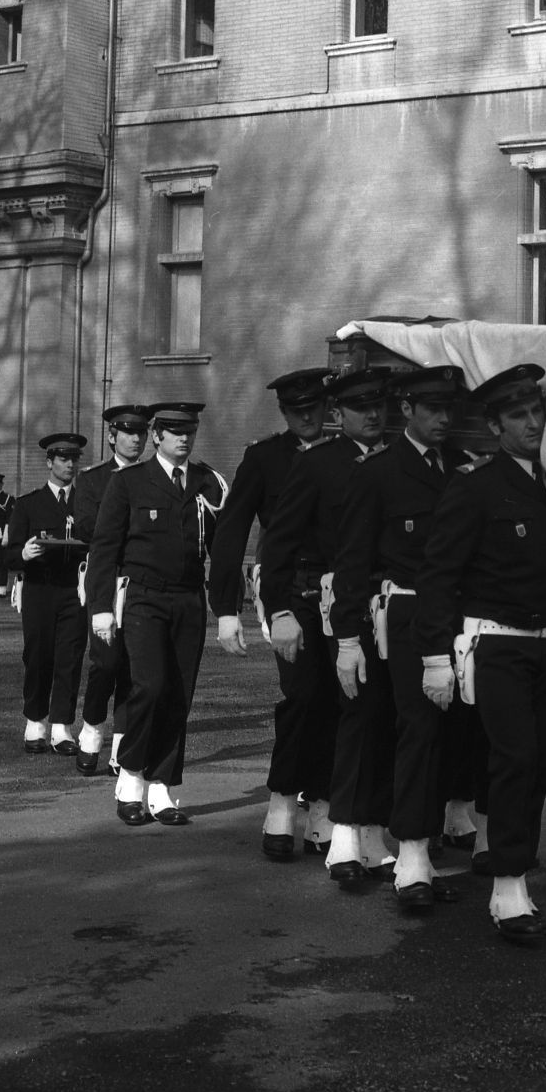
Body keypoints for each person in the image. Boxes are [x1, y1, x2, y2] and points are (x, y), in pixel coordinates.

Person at [415, 363, 546, 946]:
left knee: (540, 762)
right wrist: (437, 656)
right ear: (493, 425)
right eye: (519, 415)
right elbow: (439, 575)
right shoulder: (475, 486)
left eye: (537, 411)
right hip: (498, 645)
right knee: (514, 759)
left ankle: (512, 866)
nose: (533, 423)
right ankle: (509, 888)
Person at [331, 363, 470, 912]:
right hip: (404, 618)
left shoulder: (463, 467)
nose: (442, 418)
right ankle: (410, 854)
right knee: (416, 729)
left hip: (460, 617)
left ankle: (426, 841)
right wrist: (346, 636)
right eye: (431, 408)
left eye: (448, 409)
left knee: (452, 732)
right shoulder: (378, 473)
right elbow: (352, 560)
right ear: (406, 410)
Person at [85, 402, 241, 826]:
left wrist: (228, 607)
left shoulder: (208, 482)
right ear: (156, 436)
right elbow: (104, 549)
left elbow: (223, 552)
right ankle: (131, 776)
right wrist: (100, 608)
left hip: (188, 600)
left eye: (189, 430)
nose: (183, 438)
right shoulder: (131, 482)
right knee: (148, 686)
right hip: (143, 599)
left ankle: (162, 786)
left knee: (179, 693)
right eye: (173, 431)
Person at [210, 366, 338, 861]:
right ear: (284, 413)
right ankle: (283, 800)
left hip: (339, 592)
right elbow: (231, 529)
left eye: (314, 408)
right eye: (296, 411)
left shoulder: (343, 456)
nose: (307, 417)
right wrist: (226, 608)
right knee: (303, 696)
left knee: (339, 700)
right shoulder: (264, 458)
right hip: (288, 590)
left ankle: (324, 807)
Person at [301, 367, 402, 885]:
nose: (373, 415)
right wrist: (276, 608)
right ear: (337, 413)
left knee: (388, 721)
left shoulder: (398, 465)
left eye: (380, 405)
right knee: (352, 718)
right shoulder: (319, 465)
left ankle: (373, 833)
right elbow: (284, 544)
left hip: (396, 608)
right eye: (361, 407)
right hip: (338, 606)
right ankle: (342, 834)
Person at [71, 403, 152, 775]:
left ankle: (122, 746)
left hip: (143, 581)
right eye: (128, 432)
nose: (136, 439)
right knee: (104, 662)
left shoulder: (155, 478)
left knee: (134, 667)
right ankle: (91, 730)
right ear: (112, 436)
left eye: (141, 432)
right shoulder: (92, 480)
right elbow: (90, 528)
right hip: (107, 579)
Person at [9, 432, 90, 757]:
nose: (69, 464)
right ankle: (36, 721)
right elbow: (10, 554)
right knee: (39, 655)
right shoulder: (28, 504)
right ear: (49, 462)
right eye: (62, 459)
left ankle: (61, 727)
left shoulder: (85, 503)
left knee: (69, 658)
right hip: (40, 590)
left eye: (73, 459)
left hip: (75, 589)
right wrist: (24, 554)